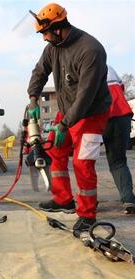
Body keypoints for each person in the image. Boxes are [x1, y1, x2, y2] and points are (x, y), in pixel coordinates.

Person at [27, 3, 111, 236]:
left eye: (45, 32)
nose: (43, 38)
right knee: (55, 150)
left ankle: (87, 214)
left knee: (83, 163)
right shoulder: (53, 47)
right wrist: (33, 98)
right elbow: (39, 71)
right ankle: (63, 199)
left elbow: (86, 95)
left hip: (91, 113)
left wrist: (65, 123)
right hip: (67, 110)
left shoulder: (90, 50)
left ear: (58, 27)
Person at [103, 65, 135, 214]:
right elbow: (120, 89)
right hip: (123, 114)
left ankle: (87, 201)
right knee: (119, 161)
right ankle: (129, 199)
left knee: (85, 159)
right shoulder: (110, 68)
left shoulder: (86, 66)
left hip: (102, 115)